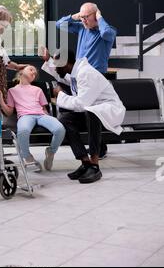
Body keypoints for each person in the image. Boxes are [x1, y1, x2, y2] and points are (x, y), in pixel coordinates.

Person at [45, 49, 125, 183]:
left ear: (66, 64)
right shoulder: (76, 71)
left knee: (91, 112)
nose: (55, 68)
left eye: (56, 65)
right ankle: (86, 162)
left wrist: (60, 95)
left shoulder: (85, 73)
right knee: (65, 120)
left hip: (109, 111)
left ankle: (95, 165)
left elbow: (81, 104)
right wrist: (48, 61)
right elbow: (64, 77)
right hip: (93, 111)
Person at [56, 2, 117, 158]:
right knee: (79, 114)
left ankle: (97, 151)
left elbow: (107, 34)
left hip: (96, 80)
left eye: (86, 17)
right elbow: (59, 25)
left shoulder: (106, 31)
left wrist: (99, 17)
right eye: (81, 17)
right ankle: (99, 148)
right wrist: (74, 16)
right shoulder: (82, 28)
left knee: (92, 114)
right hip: (79, 76)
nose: (83, 20)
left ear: (95, 15)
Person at [0, 65, 65, 171]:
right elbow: (9, 111)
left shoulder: (37, 90)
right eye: (31, 70)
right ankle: (28, 157)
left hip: (41, 115)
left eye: (35, 73)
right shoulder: (12, 91)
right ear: (21, 72)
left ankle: (51, 152)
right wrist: (1, 100)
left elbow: (44, 108)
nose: (33, 73)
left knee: (60, 129)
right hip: (25, 116)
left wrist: (49, 120)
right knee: (23, 131)